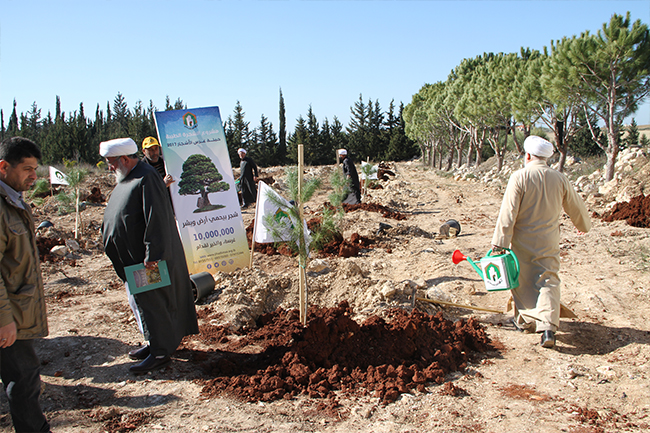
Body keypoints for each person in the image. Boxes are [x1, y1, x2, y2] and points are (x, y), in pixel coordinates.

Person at [100, 138, 199, 373]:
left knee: (155, 302)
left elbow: (158, 217)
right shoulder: (130, 176)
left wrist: (153, 254)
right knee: (144, 301)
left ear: (125, 159)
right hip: (135, 258)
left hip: (149, 260)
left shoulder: (146, 177)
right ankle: (154, 342)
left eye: (111, 162)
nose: (110, 167)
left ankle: (161, 352)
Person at [491, 135, 591, 348]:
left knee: (523, 281)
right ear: (546, 158)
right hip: (548, 240)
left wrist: (499, 243)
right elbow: (576, 207)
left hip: (522, 242)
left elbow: (508, 214)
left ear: (527, 155)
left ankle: (526, 321)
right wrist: (583, 226)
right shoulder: (559, 178)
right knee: (547, 279)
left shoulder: (519, 177)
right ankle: (547, 328)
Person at [0, 137, 51, 432]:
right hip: (10, 318)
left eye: (36, 168)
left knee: (24, 378)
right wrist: (4, 319)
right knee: (24, 380)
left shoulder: (13, 201)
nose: (34, 176)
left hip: (17, 311)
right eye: (27, 169)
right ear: (4, 167)